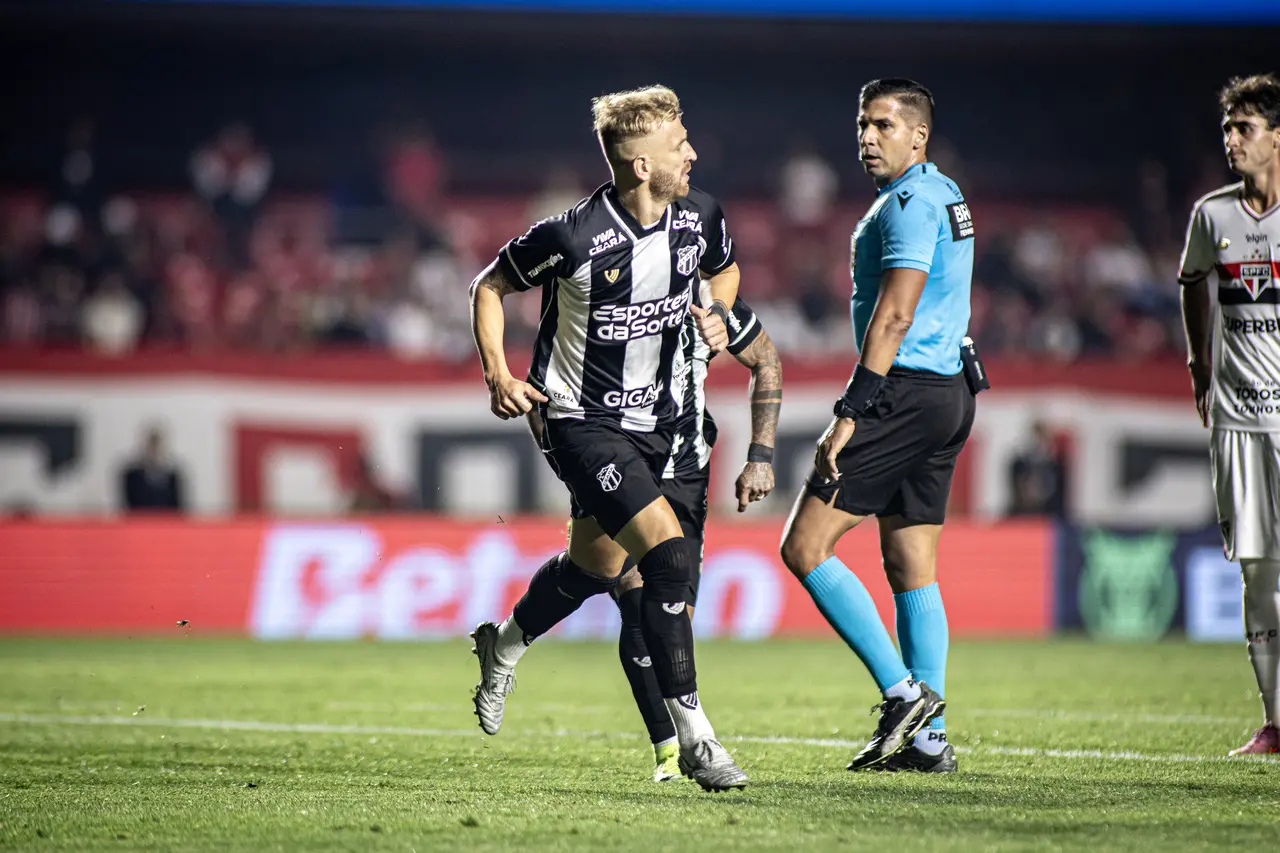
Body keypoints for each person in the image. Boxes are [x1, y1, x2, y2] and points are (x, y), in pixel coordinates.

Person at [467, 85, 748, 791]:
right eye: (679, 144)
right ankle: (697, 740)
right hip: (577, 420)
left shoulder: (701, 216)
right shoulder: (570, 236)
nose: (693, 153)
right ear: (643, 164)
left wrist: (718, 311)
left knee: (594, 567)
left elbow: (724, 269)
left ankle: (503, 645)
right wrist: (498, 373)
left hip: (660, 422)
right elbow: (488, 287)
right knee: (667, 556)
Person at [778, 78, 977, 774]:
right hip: (948, 390)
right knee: (910, 564)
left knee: (804, 546)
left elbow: (895, 315)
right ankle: (929, 743)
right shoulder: (943, 191)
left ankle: (902, 694)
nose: (867, 137)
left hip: (905, 392)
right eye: (863, 124)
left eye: (883, 125)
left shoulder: (912, 204)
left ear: (918, 135)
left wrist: (850, 412)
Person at [528, 281, 782, 782]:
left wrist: (760, 457)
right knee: (636, 593)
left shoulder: (709, 301)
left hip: (686, 471)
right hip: (619, 459)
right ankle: (677, 748)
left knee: (669, 614)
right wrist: (573, 466)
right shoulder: (608, 297)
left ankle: (508, 640)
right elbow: (544, 390)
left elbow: (767, 361)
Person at [1178, 73, 1280, 757]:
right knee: (1258, 571)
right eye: (1227, 129)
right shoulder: (1212, 216)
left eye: (1245, 128)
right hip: (1238, 423)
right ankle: (1275, 720)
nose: (1231, 140)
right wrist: (1199, 363)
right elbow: (1191, 283)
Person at [120, 426, 186, 513]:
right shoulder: (132, 476)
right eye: (151, 444)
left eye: (157, 444)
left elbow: (178, 508)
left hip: (166, 519)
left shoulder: (173, 478)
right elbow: (128, 506)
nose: (154, 449)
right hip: (140, 519)